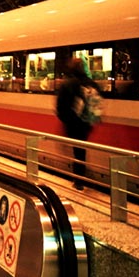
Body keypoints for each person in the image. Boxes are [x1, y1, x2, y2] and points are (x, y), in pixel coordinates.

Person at [56, 58, 102, 190]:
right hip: (87, 122)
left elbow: (60, 107)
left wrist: (67, 120)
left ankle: (79, 180)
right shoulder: (91, 83)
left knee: (78, 151)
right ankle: (80, 177)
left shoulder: (68, 84)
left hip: (73, 123)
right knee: (80, 150)